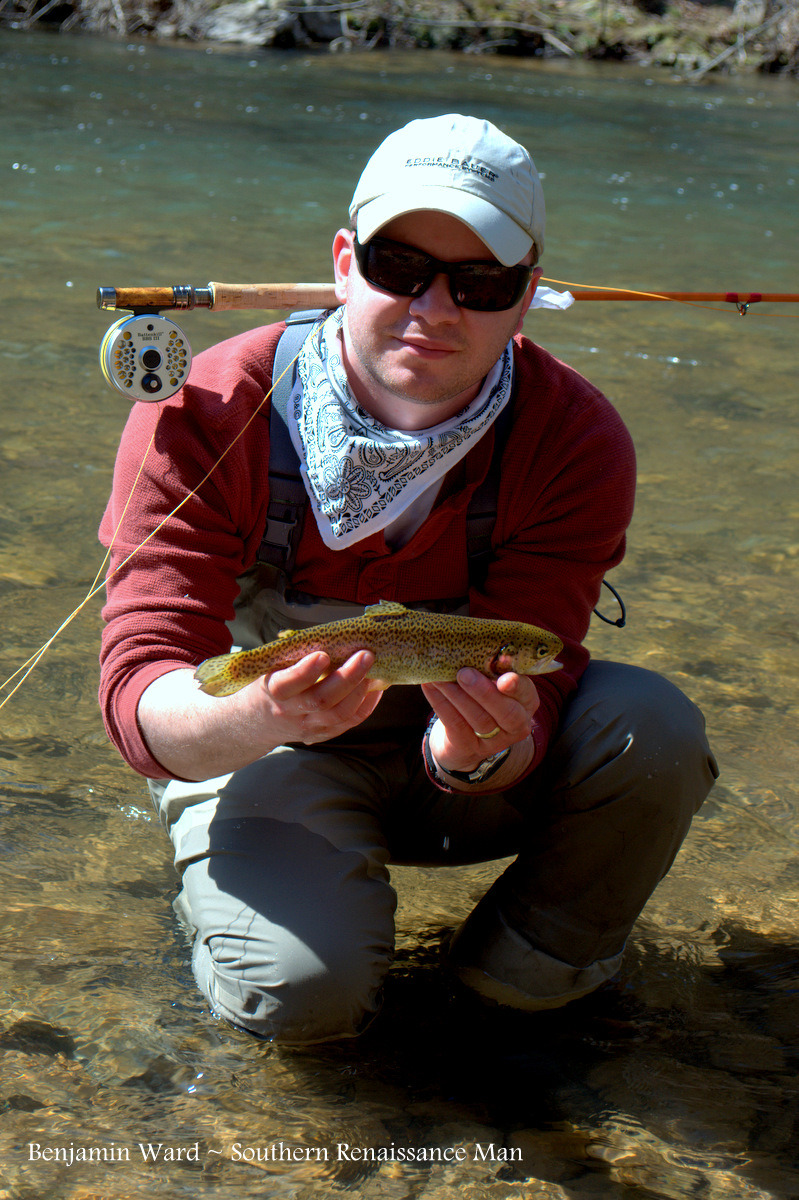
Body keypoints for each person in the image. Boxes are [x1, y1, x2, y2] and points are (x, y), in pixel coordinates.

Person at [99, 114, 718, 1045]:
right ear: (344, 262)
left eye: (479, 283)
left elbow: (541, 685)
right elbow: (140, 691)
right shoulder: (210, 408)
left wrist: (477, 752)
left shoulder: (573, 439)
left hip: (462, 770)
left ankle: (519, 989)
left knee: (654, 729)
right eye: (399, 267)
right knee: (300, 1000)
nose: (433, 308)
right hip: (266, 746)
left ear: (526, 296)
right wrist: (260, 714)